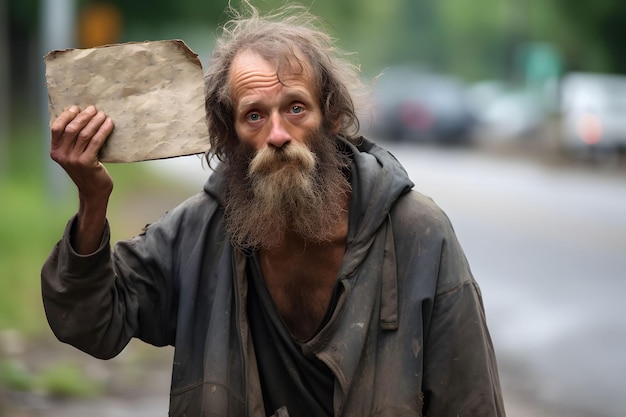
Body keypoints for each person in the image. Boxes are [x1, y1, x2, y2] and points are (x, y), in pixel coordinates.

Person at [41, 3, 506, 416]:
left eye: (297, 108)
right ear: (229, 135)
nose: (278, 134)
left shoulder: (418, 234)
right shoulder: (199, 233)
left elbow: (470, 401)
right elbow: (91, 324)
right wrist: (92, 202)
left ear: (332, 118)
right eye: (255, 115)